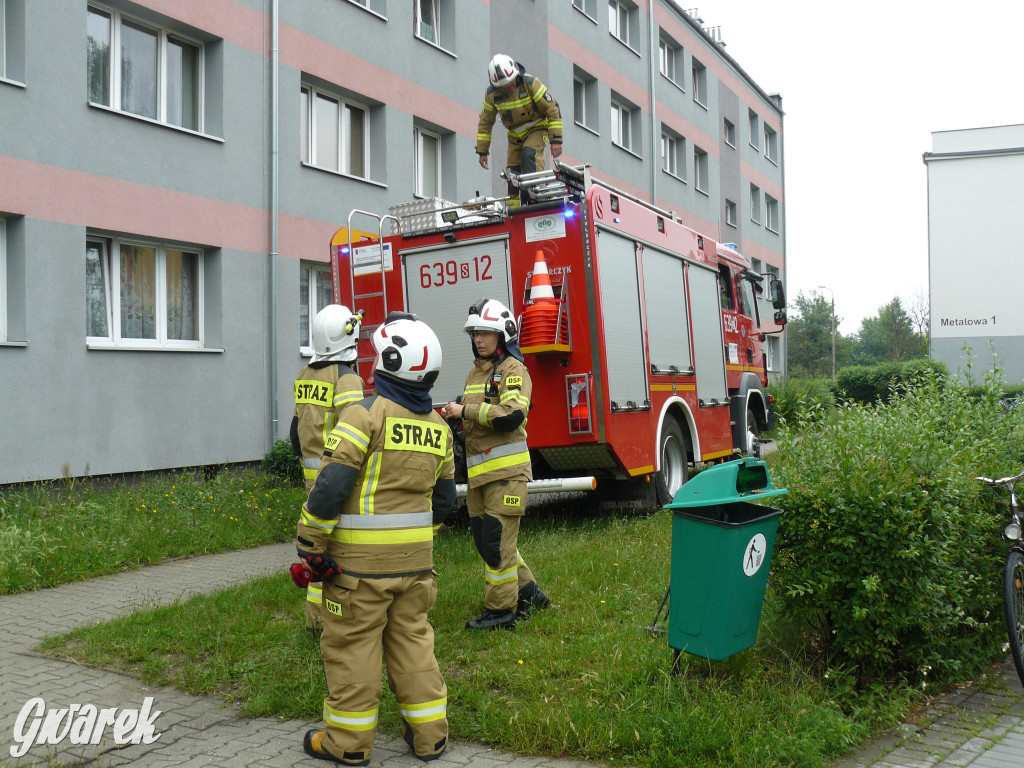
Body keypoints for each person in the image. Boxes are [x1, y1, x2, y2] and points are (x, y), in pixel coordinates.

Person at [296, 315, 456, 766]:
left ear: (387, 364)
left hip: (357, 573)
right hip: (416, 568)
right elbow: (443, 501)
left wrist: (309, 544)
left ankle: (346, 744)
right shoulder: (440, 430)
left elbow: (330, 487)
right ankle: (430, 738)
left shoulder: (363, 415)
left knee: (352, 648)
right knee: (413, 643)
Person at [441, 299, 550, 631]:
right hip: (480, 478)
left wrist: (467, 412)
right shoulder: (475, 373)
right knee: (486, 540)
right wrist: (453, 414)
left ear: (503, 336)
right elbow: (473, 416)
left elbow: (512, 414)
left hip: (507, 477)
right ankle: (530, 595)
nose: (479, 339)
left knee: (496, 543)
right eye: (475, 333)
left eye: (486, 333)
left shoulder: (513, 371)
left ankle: (501, 612)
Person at [290, 304, 366, 633]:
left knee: (315, 549)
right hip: (337, 477)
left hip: (312, 480)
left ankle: (315, 619)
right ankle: (338, 620)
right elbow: (356, 430)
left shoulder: (304, 375)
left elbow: (295, 431)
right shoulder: (347, 378)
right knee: (339, 551)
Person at [476, 54, 563, 179]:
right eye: (505, 86)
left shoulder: (530, 84)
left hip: (537, 128)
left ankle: (535, 190)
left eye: (511, 82)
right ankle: (515, 198)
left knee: (529, 154)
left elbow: (552, 109)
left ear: (516, 74)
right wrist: (482, 151)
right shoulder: (492, 95)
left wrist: (556, 140)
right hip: (515, 136)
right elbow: (485, 123)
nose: (510, 87)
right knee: (513, 172)